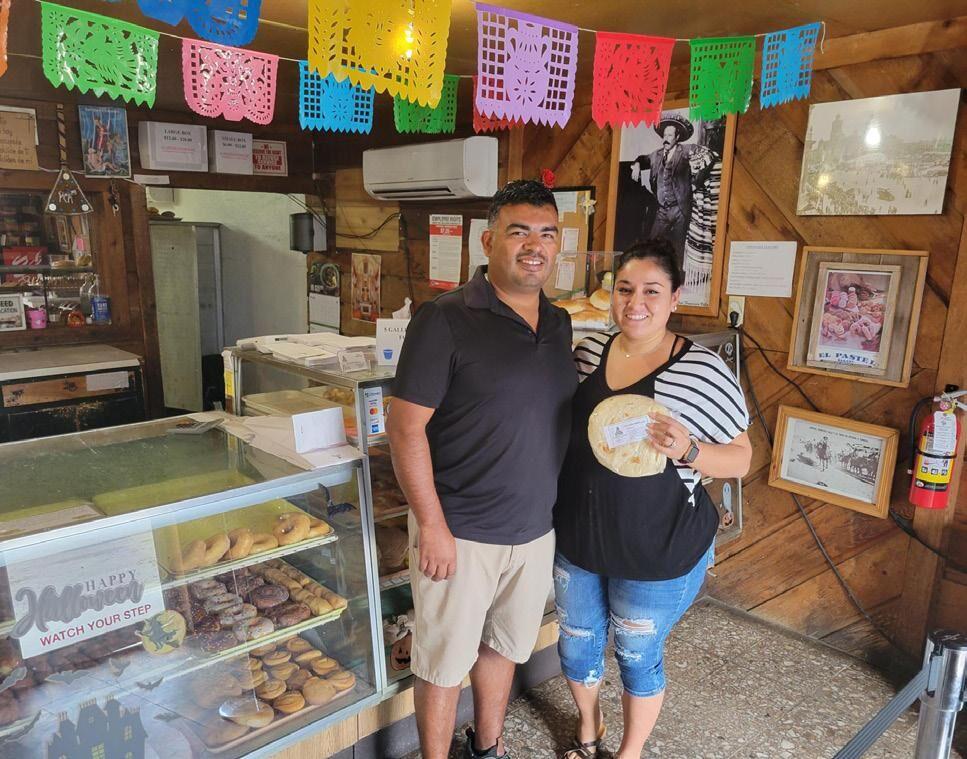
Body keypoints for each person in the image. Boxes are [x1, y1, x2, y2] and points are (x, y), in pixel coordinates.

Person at [387, 180, 578, 759]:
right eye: (519, 232)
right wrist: (433, 526)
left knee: (504, 648)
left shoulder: (560, 322)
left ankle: (488, 747)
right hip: (460, 532)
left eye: (547, 233)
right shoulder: (444, 318)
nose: (534, 246)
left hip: (533, 531)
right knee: (443, 663)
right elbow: (404, 428)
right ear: (489, 239)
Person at [553, 238, 752, 759]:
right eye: (624, 289)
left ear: (675, 297)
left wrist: (689, 450)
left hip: (656, 547)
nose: (634, 302)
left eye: (651, 290)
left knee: (637, 654)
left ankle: (630, 752)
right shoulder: (588, 353)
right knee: (575, 644)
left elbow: (741, 459)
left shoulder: (702, 371)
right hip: (580, 535)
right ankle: (588, 731)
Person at [630, 114, 713, 265]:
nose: (666, 138)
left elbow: (709, 157)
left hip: (680, 210)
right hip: (662, 210)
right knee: (652, 245)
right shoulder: (656, 155)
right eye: (664, 134)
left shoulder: (687, 150)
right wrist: (636, 165)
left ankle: (677, 281)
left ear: (677, 136)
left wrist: (696, 183)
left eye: (670, 134)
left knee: (677, 247)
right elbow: (642, 159)